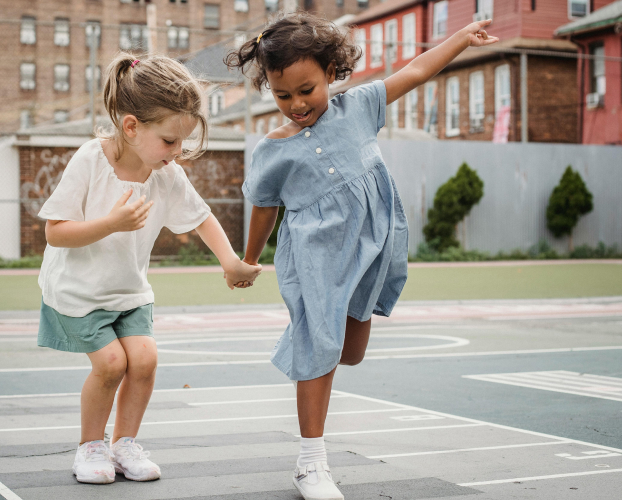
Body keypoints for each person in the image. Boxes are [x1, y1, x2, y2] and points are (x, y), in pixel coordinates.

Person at [226, 13, 498, 500]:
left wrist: (459, 38)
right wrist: (248, 260)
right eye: (282, 95)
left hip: (373, 248)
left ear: (332, 71)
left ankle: (320, 353)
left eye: (305, 89)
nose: (296, 104)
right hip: (315, 254)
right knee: (319, 346)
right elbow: (265, 207)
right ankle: (311, 464)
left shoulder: (360, 106)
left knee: (349, 353)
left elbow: (414, 72)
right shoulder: (272, 150)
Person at [37, 53, 262, 485]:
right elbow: (56, 233)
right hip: (78, 292)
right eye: (169, 141)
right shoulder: (89, 160)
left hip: (128, 290)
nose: (177, 152)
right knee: (110, 364)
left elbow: (201, 217)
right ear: (132, 127)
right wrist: (111, 224)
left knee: (143, 359)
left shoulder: (166, 173)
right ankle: (90, 447)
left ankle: (123, 444)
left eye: (182, 141)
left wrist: (230, 262)